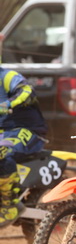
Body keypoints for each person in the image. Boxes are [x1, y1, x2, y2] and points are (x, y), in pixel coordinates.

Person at [0, 66, 48, 227]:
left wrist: (8, 104)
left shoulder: (7, 76)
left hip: (25, 129)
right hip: (2, 133)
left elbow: (26, 90)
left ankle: (10, 204)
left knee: (2, 152)